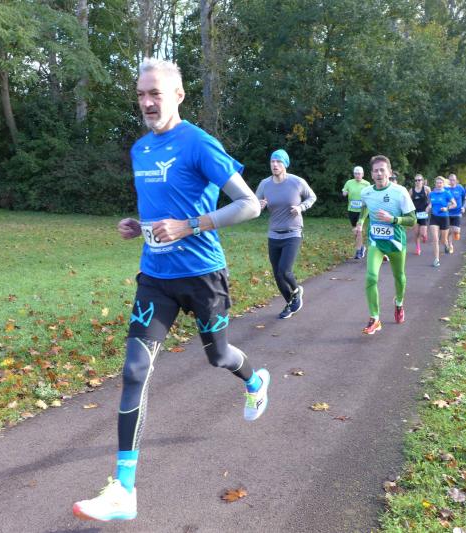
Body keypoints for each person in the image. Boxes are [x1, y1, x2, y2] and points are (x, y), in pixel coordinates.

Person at [72, 58, 270, 523]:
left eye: (155, 93)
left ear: (178, 95)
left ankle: (256, 381)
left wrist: (190, 226)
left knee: (218, 356)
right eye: (141, 94)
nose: (146, 102)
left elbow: (248, 205)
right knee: (134, 370)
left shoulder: (199, 143)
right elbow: (160, 207)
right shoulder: (140, 149)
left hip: (203, 276)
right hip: (155, 277)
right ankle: (124, 489)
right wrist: (136, 225)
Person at [354, 155, 416, 335]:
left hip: (396, 242)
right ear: (371, 174)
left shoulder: (400, 192)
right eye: (376, 171)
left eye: (382, 170)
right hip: (376, 241)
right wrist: (360, 222)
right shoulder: (366, 192)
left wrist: (393, 219)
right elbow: (365, 206)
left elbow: (412, 220)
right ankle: (375, 319)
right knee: (371, 277)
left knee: (399, 277)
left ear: (389, 172)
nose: (379, 173)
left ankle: (399, 303)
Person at [256, 149, 317, 319]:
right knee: (277, 274)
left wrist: (301, 207)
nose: (275, 165)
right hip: (274, 233)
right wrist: (259, 206)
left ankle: (297, 291)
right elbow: (254, 204)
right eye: (272, 161)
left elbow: (312, 197)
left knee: (284, 270)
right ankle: (290, 302)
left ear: (285, 164)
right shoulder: (264, 184)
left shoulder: (297, 182)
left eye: (279, 162)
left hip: (293, 232)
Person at [342, 166, 371, 259]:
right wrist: (344, 193)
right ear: (354, 174)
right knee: (355, 231)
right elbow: (344, 191)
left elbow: (370, 195)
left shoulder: (367, 184)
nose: (357, 175)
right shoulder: (349, 182)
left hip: (363, 210)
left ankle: (358, 252)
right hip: (352, 210)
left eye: (359, 173)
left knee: (359, 229)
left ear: (362, 174)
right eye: (356, 173)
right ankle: (362, 247)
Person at [427, 176, 456, 267]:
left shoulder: (447, 193)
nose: (439, 184)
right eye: (437, 183)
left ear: (443, 184)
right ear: (435, 184)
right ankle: (436, 259)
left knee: (443, 240)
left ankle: (446, 245)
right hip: (434, 217)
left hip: (444, 217)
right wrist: (428, 207)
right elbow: (430, 203)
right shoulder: (431, 194)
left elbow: (454, 204)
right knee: (435, 239)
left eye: (440, 183)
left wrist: (447, 208)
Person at [408, 173, 430, 255]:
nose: (417, 182)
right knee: (416, 233)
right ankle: (418, 248)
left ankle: (424, 236)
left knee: (422, 233)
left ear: (422, 181)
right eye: (416, 180)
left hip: (424, 213)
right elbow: (407, 201)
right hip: (415, 214)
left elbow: (432, 199)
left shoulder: (426, 189)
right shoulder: (411, 190)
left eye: (419, 180)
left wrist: (429, 206)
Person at [445, 173, 466, 253]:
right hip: (447, 213)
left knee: (456, 232)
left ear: (456, 180)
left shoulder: (460, 188)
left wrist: (463, 207)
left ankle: (454, 234)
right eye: (450, 180)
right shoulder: (445, 189)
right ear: (448, 181)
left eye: (453, 180)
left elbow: (465, 199)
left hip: (457, 213)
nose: (452, 181)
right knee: (449, 231)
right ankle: (450, 245)